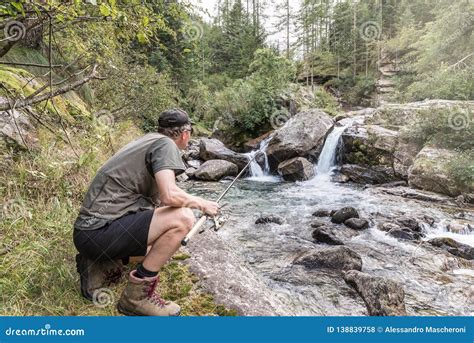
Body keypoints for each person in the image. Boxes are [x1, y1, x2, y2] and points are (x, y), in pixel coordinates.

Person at [73, 108, 219, 316]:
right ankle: (136, 298)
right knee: (183, 218)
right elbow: (169, 195)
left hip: (89, 233)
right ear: (185, 133)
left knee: (162, 244)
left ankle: (100, 263)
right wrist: (202, 203)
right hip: (98, 233)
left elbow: (160, 201)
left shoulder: (148, 140)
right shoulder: (166, 144)